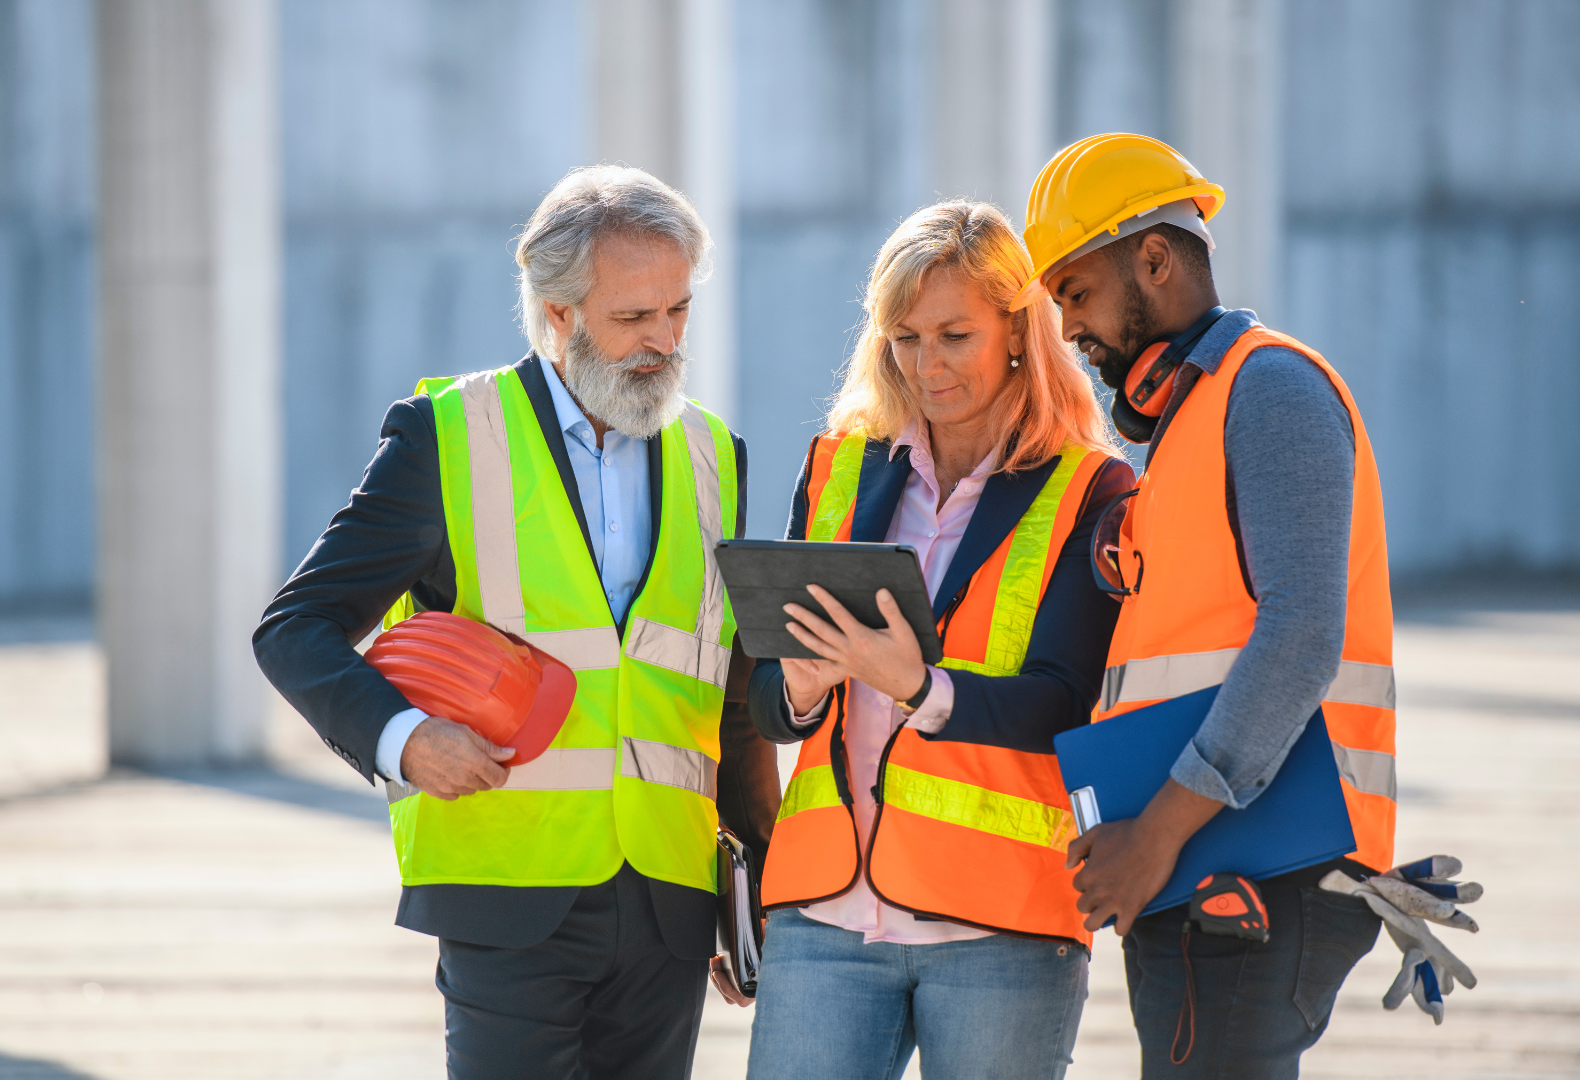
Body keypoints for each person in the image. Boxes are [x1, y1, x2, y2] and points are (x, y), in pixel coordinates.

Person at [253, 165, 780, 1080]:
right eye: (633, 319)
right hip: (504, 893)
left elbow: (724, 695)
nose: (662, 342)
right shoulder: (446, 438)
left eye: (678, 313)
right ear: (559, 312)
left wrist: (756, 885)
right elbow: (295, 627)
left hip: (668, 900)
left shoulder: (715, 458)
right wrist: (405, 739)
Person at [1012, 133, 1396, 1076]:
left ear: (1154, 257)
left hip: (1259, 862)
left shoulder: (1268, 391)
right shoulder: (1190, 419)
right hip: (1212, 863)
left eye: (1076, 292)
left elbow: (1302, 636)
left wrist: (1155, 835)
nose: (1065, 330)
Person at [744, 202, 1135, 1080]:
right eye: (905, 337)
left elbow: (1067, 702)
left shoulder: (1091, 489)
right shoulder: (838, 465)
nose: (928, 365)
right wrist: (803, 684)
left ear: (1017, 331)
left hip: (1002, 927)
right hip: (827, 914)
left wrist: (921, 687)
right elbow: (768, 704)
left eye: (955, 335)